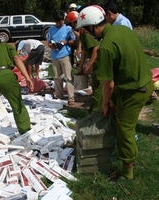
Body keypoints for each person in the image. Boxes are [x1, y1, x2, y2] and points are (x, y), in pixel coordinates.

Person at [76, 5, 154, 180]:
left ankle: (128, 173)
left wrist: (105, 103)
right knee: (119, 114)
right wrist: (113, 101)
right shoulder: (123, 30)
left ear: (93, 27)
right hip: (142, 82)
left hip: (134, 90)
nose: (88, 35)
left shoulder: (106, 47)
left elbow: (108, 84)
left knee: (124, 129)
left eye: (87, 31)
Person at [66, 10, 102, 113]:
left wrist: (89, 65)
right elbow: (85, 51)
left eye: (71, 24)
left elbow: (96, 48)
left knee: (98, 86)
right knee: (95, 86)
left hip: (98, 63)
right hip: (93, 61)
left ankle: (97, 110)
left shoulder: (86, 33)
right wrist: (81, 66)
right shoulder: (82, 34)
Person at [47, 11, 76, 105]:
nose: (59, 24)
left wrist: (66, 42)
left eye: (60, 21)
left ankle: (71, 97)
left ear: (63, 20)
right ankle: (59, 95)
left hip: (65, 55)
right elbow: (48, 42)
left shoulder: (68, 29)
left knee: (68, 77)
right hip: (55, 56)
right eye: (57, 22)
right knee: (57, 77)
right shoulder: (51, 30)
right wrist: (52, 45)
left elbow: (73, 41)